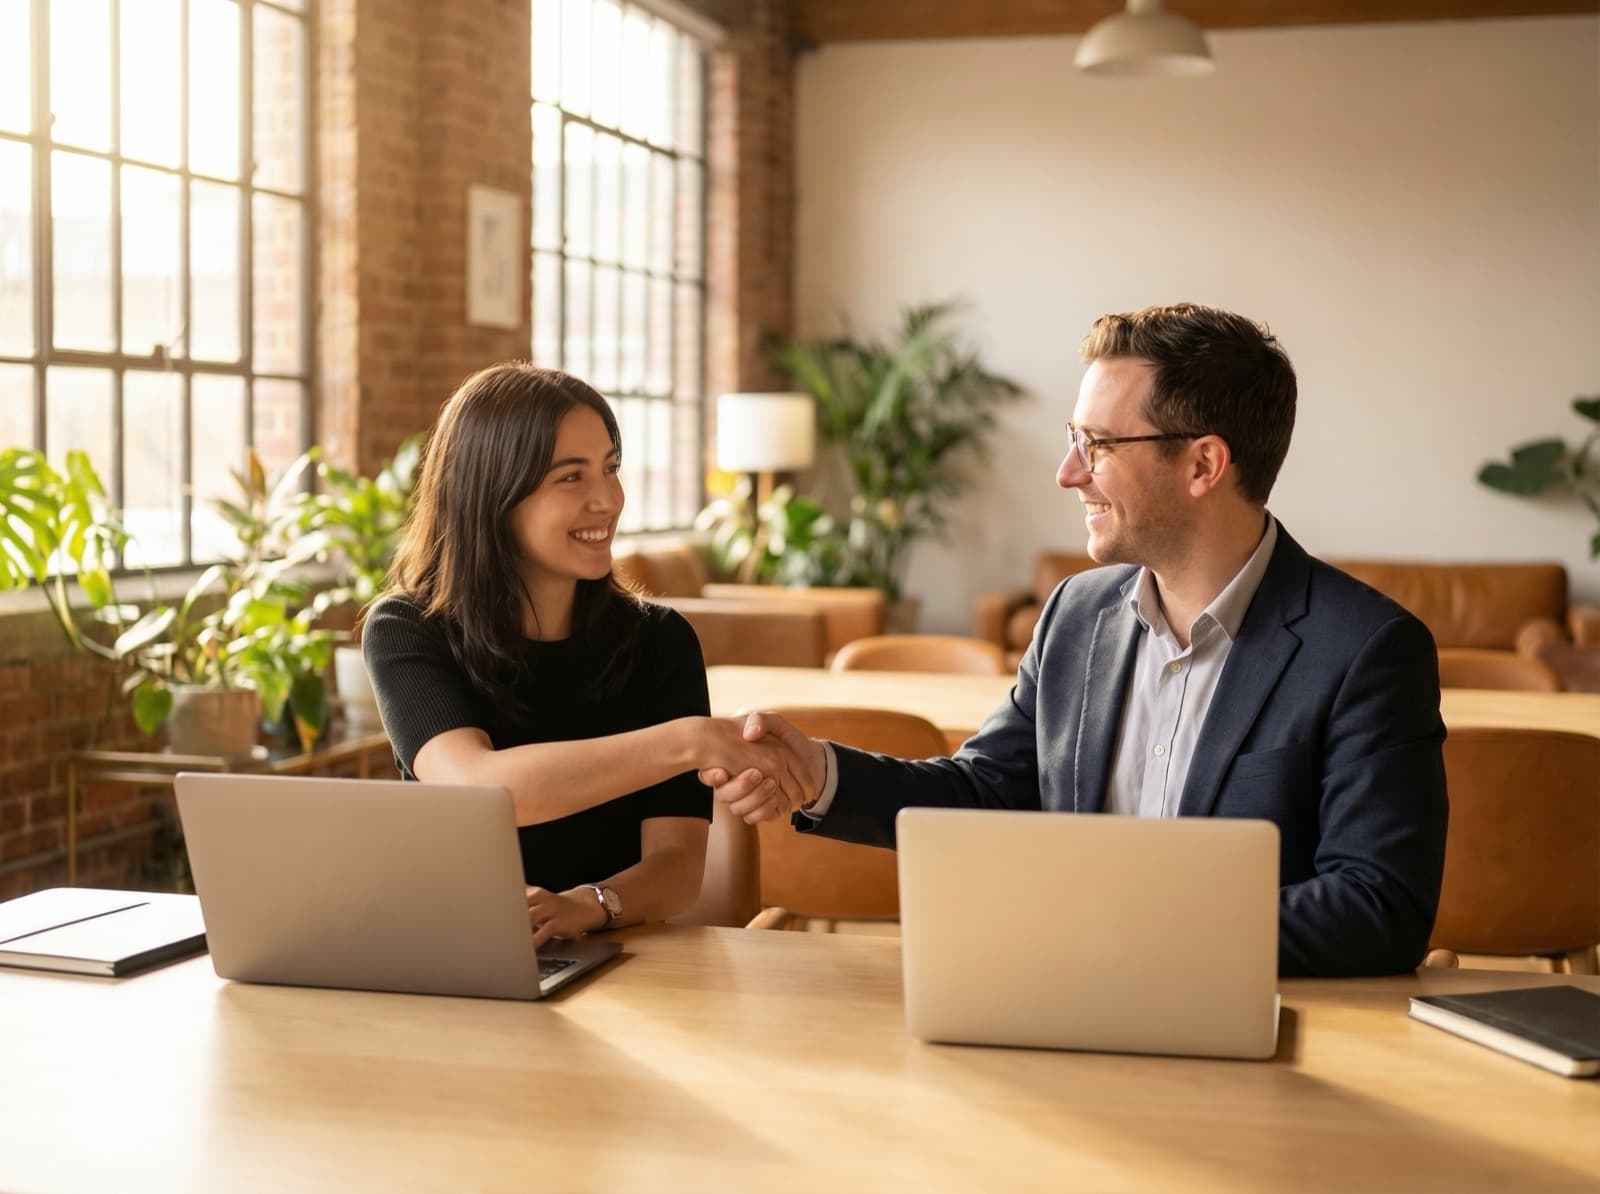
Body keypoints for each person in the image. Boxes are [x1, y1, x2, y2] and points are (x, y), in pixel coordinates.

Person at [705, 303, 1449, 977]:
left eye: (1097, 445)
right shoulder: (1076, 613)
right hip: (1057, 999)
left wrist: (1121, 929)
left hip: (1259, 1026)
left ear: (1203, 465)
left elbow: (1377, 908)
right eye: (1074, 440)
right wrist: (819, 773)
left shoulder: (1368, 649)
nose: (1068, 474)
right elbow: (988, 791)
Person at [362, 363, 806, 946]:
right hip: (457, 953)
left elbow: (677, 866)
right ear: (493, 493)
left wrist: (590, 906)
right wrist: (690, 740)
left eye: (610, 468)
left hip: (619, 955)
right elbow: (474, 785)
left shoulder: (661, 641)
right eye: (571, 477)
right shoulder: (407, 629)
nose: (608, 499)